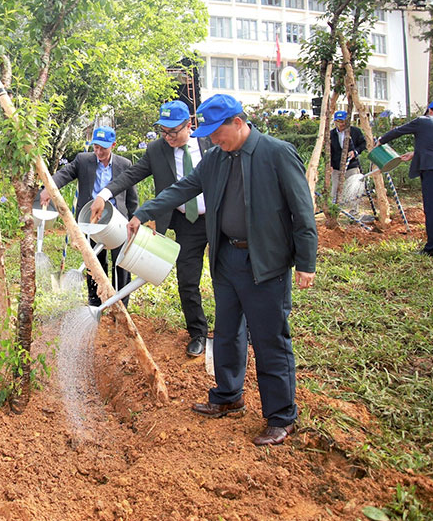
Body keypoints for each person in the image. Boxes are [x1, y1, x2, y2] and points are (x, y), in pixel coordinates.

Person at [127, 94, 317, 446]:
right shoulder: (215, 159)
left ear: (239, 123)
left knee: (269, 338)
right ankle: (229, 395)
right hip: (227, 258)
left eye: (219, 132)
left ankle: (280, 417)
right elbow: (183, 188)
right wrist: (144, 211)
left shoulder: (276, 154)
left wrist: (306, 262)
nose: (213, 139)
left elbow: (302, 211)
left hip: (265, 261)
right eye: (210, 134)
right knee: (227, 331)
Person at [90, 100, 211, 357]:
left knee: (228, 276)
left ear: (190, 125)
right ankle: (198, 332)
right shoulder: (157, 150)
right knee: (187, 280)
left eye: (173, 132)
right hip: (185, 223)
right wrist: (104, 194)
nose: (167, 138)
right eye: (163, 132)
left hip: (218, 218)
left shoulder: (210, 142)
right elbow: (131, 175)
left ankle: (237, 329)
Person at [42, 126, 138, 307]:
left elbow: (132, 197)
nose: (99, 152)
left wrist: (134, 219)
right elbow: (64, 174)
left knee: (122, 263)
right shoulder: (83, 160)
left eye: (103, 148)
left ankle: (122, 304)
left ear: (113, 145)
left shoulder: (124, 165)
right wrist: (49, 187)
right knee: (94, 262)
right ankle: (95, 302)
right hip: (92, 220)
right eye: (96, 147)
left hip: (118, 221)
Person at [378, 100, 433, 255]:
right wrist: (415, 153)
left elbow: (399, 130)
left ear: (430, 111)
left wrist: (380, 140)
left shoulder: (424, 121)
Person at [329, 110, 366, 210]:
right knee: (335, 189)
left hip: (351, 165)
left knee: (354, 188)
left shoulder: (355, 132)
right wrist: (330, 165)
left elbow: (363, 144)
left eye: (343, 121)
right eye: (338, 121)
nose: (341, 124)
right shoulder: (331, 134)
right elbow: (328, 151)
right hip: (337, 166)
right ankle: (335, 210)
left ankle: (354, 210)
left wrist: (355, 152)